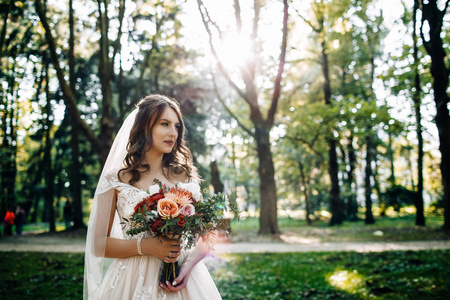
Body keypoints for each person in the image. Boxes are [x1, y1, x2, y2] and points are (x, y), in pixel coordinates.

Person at [83, 94, 222, 299]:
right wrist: (145, 246)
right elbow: (98, 245)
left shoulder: (185, 174)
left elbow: (209, 233)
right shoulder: (115, 179)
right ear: (144, 127)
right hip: (131, 279)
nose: (172, 133)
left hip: (181, 278)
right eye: (164, 124)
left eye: (176, 126)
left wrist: (188, 266)